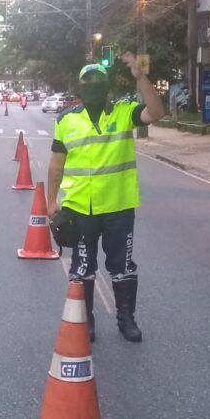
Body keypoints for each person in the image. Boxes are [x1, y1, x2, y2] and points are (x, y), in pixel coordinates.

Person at [46, 53, 165, 343]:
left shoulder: (124, 112)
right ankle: (84, 321)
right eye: (88, 82)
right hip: (79, 207)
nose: (93, 86)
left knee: (122, 266)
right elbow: (56, 164)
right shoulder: (66, 119)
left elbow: (156, 112)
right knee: (82, 268)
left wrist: (141, 77)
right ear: (80, 87)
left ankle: (126, 319)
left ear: (107, 85)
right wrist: (51, 201)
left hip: (118, 205)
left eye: (98, 81)